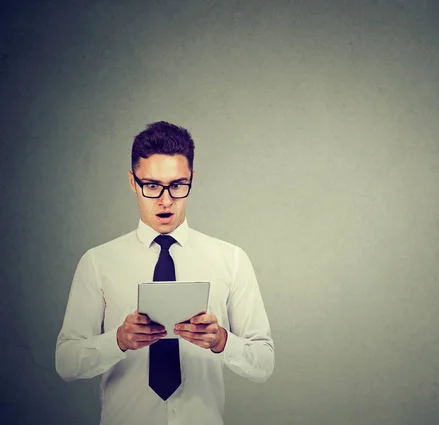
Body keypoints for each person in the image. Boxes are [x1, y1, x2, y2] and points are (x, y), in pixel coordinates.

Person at [55, 121, 274, 425]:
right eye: (153, 185)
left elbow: (263, 362)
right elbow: (66, 362)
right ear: (133, 182)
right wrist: (118, 340)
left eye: (178, 185)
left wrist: (222, 340)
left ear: (192, 180)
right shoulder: (98, 262)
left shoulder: (231, 259)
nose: (166, 199)